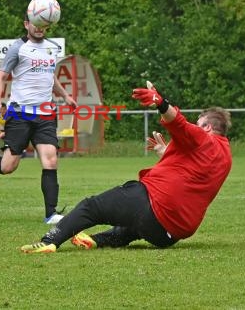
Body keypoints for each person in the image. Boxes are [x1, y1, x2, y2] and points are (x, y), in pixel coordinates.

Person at [20, 82, 232, 253]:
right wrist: (166, 152)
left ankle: (50, 240)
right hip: (168, 235)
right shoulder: (225, 157)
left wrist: (160, 102)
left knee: (91, 206)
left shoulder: (203, 138)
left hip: (153, 208)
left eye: (199, 122)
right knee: (131, 229)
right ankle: (96, 241)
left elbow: (179, 123)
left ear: (207, 127)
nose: (197, 126)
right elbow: (192, 171)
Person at [0, 12, 77, 225]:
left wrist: (65, 95)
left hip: (45, 114)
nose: (38, 27)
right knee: (8, 166)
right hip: (19, 114)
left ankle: (51, 214)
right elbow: (0, 76)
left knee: (50, 160)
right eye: (34, 23)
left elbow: (49, 75)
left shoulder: (51, 47)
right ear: (27, 24)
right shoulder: (18, 48)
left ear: (47, 25)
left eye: (42, 24)